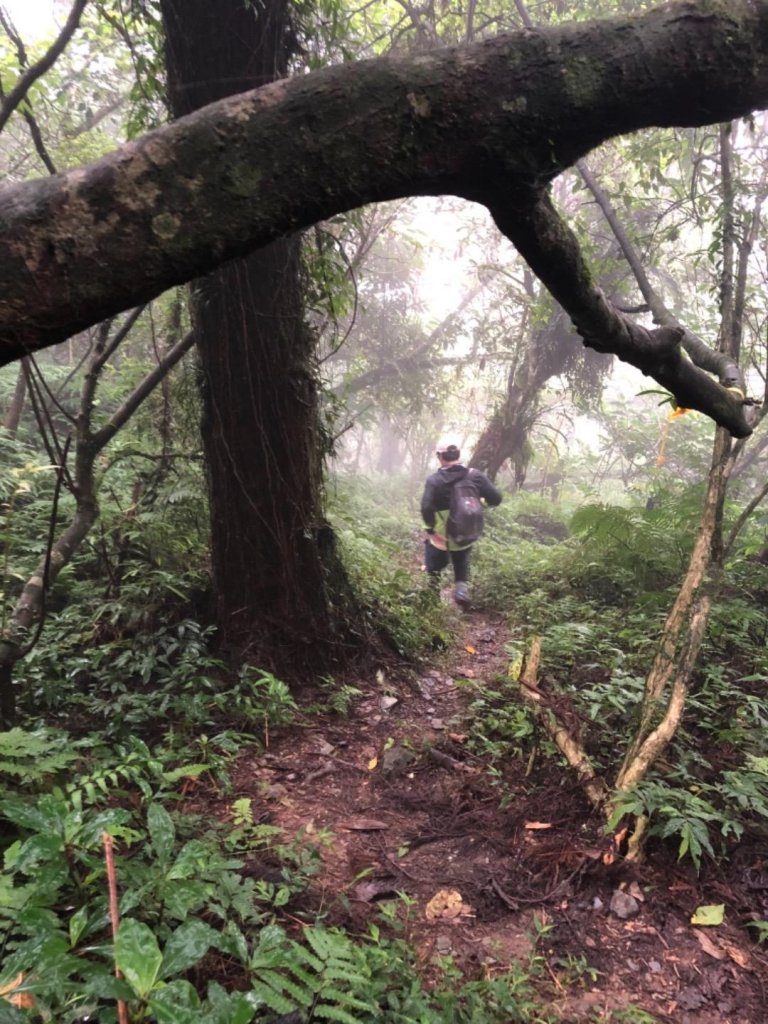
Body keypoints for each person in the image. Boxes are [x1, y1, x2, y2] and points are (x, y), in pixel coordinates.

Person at [420, 441, 502, 609]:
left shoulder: (434, 480)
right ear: (458, 456)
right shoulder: (475, 476)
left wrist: (430, 529)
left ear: (440, 457)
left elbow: (426, 507)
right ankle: (461, 591)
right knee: (462, 556)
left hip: (442, 533)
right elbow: (496, 498)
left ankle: (431, 597)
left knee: (433, 561)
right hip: (466, 529)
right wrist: (480, 505)